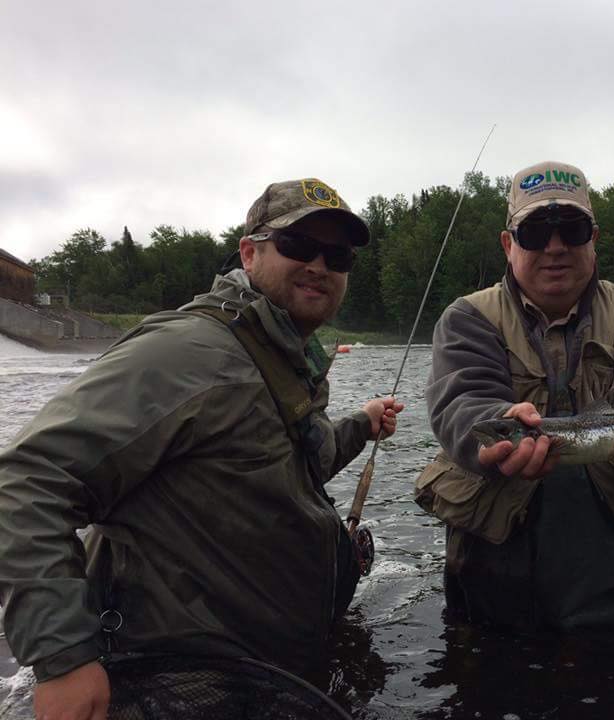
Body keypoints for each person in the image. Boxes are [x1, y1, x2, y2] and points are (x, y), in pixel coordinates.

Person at [0, 177, 403, 719]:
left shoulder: (290, 357)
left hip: (267, 675)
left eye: (337, 255)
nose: (319, 265)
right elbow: (24, 481)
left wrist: (362, 423)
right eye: (298, 246)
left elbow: (297, 464)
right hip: (178, 686)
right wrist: (63, 658)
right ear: (250, 252)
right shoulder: (187, 352)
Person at [416, 160, 614, 632]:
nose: (555, 247)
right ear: (509, 245)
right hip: (494, 573)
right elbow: (461, 406)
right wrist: (497, 426)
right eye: (534, 232)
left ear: (594, 239)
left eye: (571, 229)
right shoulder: (467, 318)